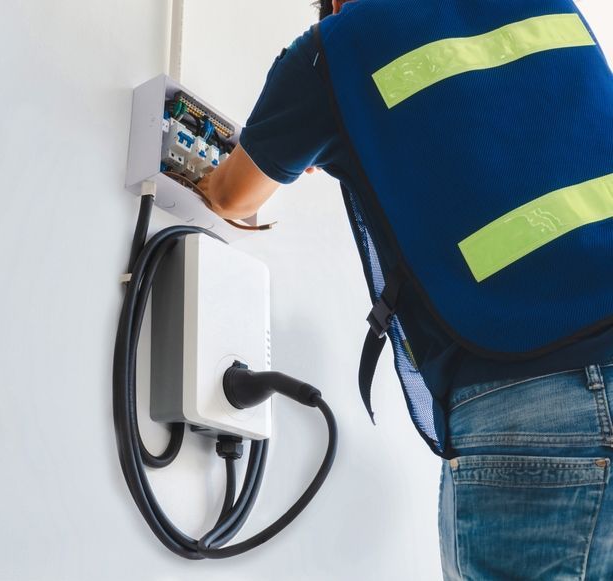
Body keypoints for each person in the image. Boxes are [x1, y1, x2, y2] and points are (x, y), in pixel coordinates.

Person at [197, 0, 613, 578]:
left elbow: (230, 195)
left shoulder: (333, 52)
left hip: (528, 406)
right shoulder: (548, 6)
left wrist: (321, 128)